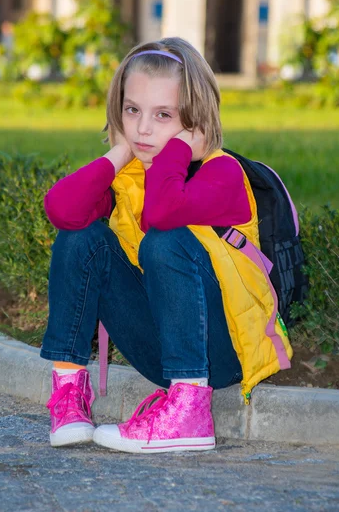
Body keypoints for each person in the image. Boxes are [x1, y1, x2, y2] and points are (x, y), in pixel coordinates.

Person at [41, 37, 293, 453]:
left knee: (166, 241)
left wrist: (176, 151)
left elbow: (164, 212)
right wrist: (119, 154)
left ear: (195, 121)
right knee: (81, 236)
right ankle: (69, 395)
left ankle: (190, 411)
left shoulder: (222, 173)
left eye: (163, 115)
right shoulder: (131, 176)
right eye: (132, 110)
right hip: (161, 347)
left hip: (221, 353)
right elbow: (61, 210)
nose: (143, 128)